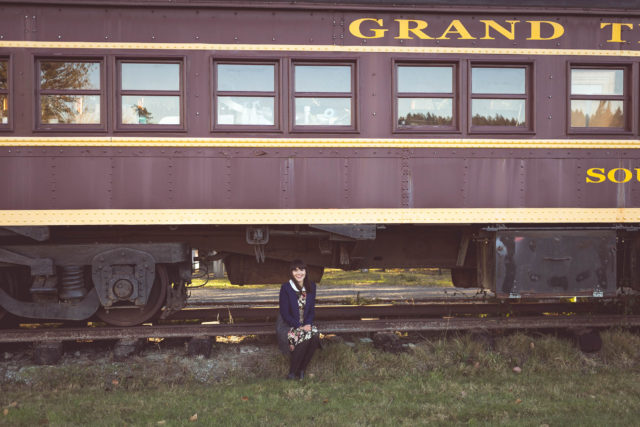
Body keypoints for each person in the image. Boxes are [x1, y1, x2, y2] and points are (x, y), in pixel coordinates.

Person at [276, 259, 321, 380]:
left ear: (306, 271)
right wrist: (300, 327)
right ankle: (292, 372)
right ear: (291, 272)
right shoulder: (286, 288)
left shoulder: (312, 287)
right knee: (306, 336)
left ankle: (301, 370)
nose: (299, 273)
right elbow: (285, 313)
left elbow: (311, 310)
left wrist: (307, 324)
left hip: (304, 324)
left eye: (301, 269)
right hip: (288, 325)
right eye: (295, 270)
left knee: (315, 335)